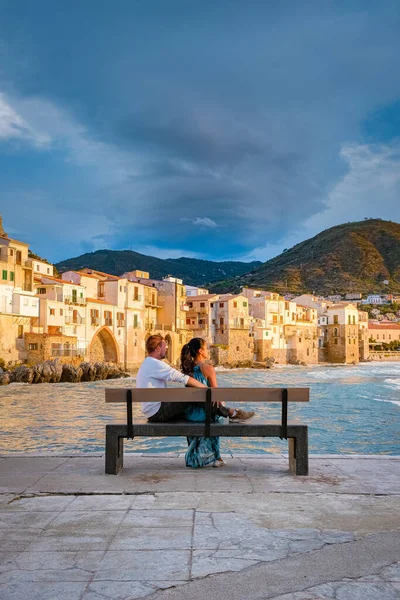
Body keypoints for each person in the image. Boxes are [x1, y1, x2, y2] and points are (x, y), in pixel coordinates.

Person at [180, 337, 255, 468]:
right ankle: (217, 457)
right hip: (205, 414)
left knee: (214, 408)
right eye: (206, 348)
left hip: (190, 413)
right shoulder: (208, 368)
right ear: (200, 351)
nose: (208, 350)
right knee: (217, 414)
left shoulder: (187, 369)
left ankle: (196, 453)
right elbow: (216, 392)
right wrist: (222, 404)